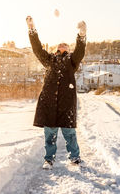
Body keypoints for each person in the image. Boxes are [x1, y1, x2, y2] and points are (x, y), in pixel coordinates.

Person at [26, 16, 87, 170]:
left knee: (69, 133)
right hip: (50, 102)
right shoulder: (50, 60)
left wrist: (81, 35)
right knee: (50, 134)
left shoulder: (72, 61)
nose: (62, 45)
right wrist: (32, 30)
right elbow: (37, 49)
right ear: (56, 48)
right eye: (60, 44)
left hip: (66, 103)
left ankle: (75, 158)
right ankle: (49, 160)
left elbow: (80, 51)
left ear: (68, 49)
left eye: (65, 45)